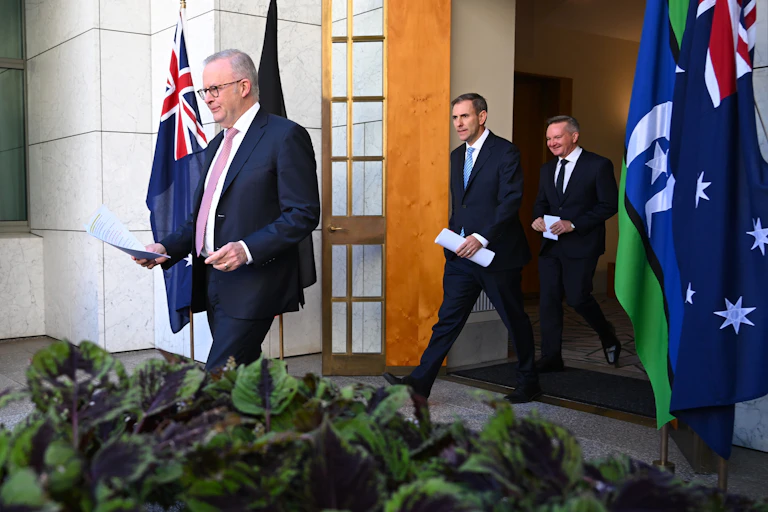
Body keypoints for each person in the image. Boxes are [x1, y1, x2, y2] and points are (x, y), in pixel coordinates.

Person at [135, 49, 320, 370]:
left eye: (214, 89)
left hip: (255, 283)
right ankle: (272, 415)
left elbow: (302, 214)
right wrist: (166, 247)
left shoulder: (285, 136)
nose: (207, 98)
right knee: (241, 374)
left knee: (218, 377)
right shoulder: (216, 145)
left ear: (244, 86)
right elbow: (200, 219)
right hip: (212, 281)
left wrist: (247, 249)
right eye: (204, 91)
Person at [382, 93, 540, 403]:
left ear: (481, 117)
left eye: (464, 117)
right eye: (455, 118)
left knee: (514, 320)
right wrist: (454, 237)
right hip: (460, 257)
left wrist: (481, 237)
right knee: (448, 320)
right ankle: (419, 384)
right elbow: (463, 204)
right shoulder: (456, 156)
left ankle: (529, 382)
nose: (459, 123)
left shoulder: (506, 153)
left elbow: (510, 202)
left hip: (497, 255)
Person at [531, 115, 619, 372]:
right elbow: (541, 203)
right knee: (548, 301)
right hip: (551, 245)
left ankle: (607, 333)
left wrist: (574, 223)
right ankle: (551, 357)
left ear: (574, 136)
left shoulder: (598, 165)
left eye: (557, 137)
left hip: (582, 244)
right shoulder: (547, 169)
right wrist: (537, 219)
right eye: (548, 138)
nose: (551, 143)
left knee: (578, 298)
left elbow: (609, 204)